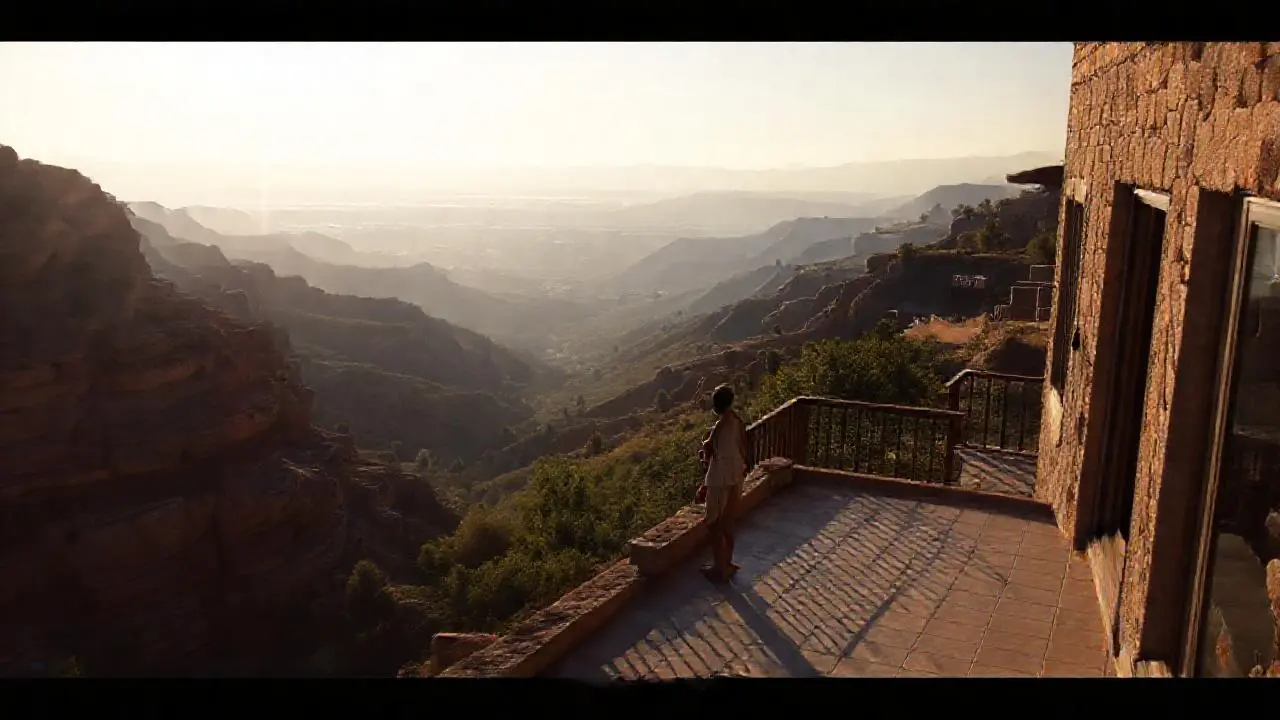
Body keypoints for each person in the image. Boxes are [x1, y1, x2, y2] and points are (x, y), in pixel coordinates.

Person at [695, 384, 748, 583]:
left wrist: (704, 453)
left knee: (713, 523)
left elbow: (709, 457)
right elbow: (744, 448)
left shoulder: (719, 427)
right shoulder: (738, 421)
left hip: (720, 478)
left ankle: (719, 567)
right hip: (736, 474)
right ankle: (728, 562)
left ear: (716, 405)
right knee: (728, 522)